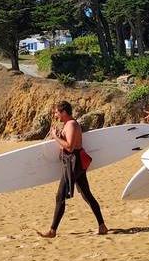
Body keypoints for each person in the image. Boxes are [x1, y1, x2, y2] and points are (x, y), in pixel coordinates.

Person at [38, 101, 107, 238]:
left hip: (73, 163)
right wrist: (60, 135)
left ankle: (52, 230)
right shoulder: (68, 125)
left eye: (57, 112)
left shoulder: (71, 125)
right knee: (87, 194)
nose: (55, 114)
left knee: (60, 196)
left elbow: (69, 147)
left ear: (64, 112)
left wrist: (55, 136)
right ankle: (102, 226)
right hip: (75, 162)